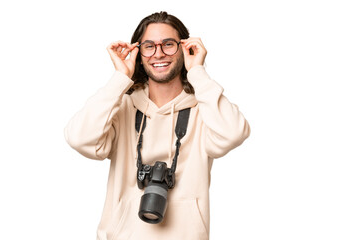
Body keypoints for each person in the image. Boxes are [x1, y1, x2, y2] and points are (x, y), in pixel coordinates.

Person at [65, 11, 250, 240]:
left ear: (184, 48)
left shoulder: (205, 110)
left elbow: (234, 133)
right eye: (149, 46)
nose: (158, 53)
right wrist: (120, 79)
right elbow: (79, 138)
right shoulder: (121, 107)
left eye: (169, 44)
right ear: (138, 53)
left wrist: (197, 73)